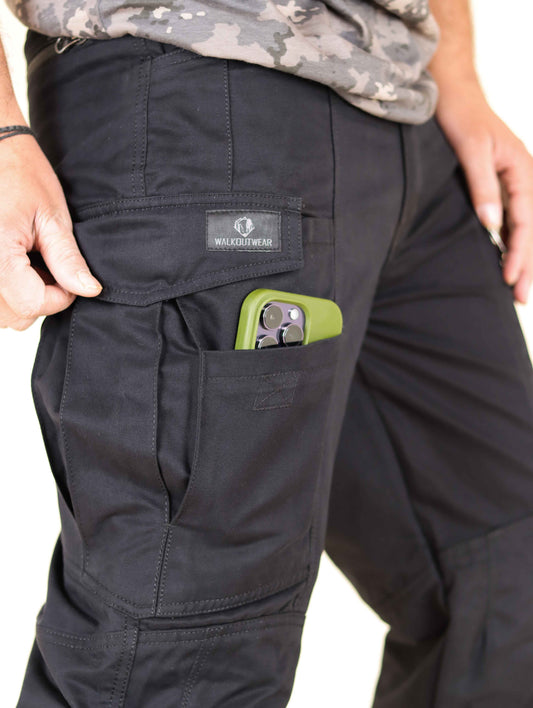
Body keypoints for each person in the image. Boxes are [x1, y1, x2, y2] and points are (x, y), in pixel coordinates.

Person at [2, 0, 533, 705]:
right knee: (183, 658)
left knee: (504, 585)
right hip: (196, 105)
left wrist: (456, 76)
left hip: (410, 120)